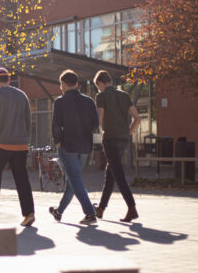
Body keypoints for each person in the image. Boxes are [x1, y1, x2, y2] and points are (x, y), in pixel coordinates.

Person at [0, 67, 36, 226]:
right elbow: (28, 121)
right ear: (9, 79)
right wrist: (26, 140)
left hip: (2, 144)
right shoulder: (22, 96)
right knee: (22, 179)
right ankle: (29, 213)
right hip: (21, 145)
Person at [49, 69, 100, 225]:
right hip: (84, 146)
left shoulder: (60, 101)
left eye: (60, 85)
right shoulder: (89, 101)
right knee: (73, 180)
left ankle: (90, 213)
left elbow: (56, 125)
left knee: (75, 179)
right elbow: (96, 124)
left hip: (67, 146)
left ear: (63, 84)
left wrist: (58, 142)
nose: (60, 88)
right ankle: (59, 212)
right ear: (77, 84)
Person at [94, 70, 141, 222]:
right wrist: (128, 132)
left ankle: (132, 207)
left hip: (110, 138)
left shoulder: (101, 96)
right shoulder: (124, 95)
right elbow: (138, 119)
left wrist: (90, 129)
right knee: (111, 172)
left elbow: (100, 120)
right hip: (123, 139)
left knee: (118, 174)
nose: (99, 89)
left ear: (100, 83)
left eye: (98, 86)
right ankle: (100, 209)